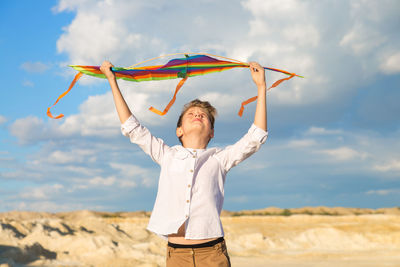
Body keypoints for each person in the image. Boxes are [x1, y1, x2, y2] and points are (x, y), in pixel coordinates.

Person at [100, 60, 268, 267]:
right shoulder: (167, 155)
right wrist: (111, 80)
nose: (198, 114)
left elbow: (256, 137)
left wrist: (261, 87)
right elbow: (132, 127)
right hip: (177, 256)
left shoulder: (219, 159)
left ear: (212, 132)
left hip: (212, 254)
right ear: (179, 130)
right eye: (191, 114)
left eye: (204, 116)